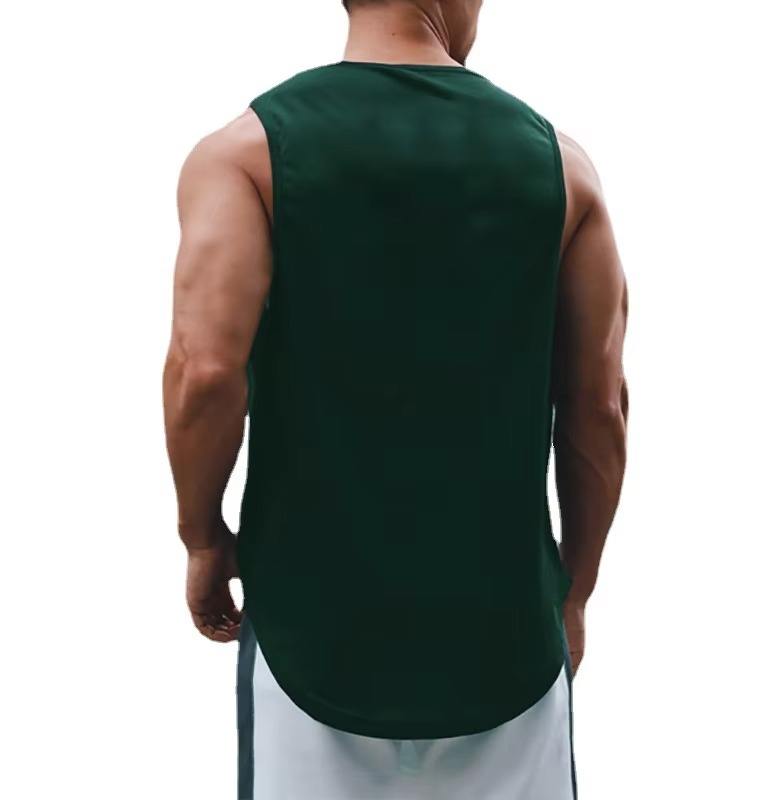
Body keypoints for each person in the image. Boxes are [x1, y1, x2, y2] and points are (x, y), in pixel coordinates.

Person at [162, 0, 628, 797]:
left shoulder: (246, 153)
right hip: (506, 643)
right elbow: (599, 408)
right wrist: (573, 593)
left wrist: (203, 538)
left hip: (311, 640)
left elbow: (203, 371)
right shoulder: (562, 166)